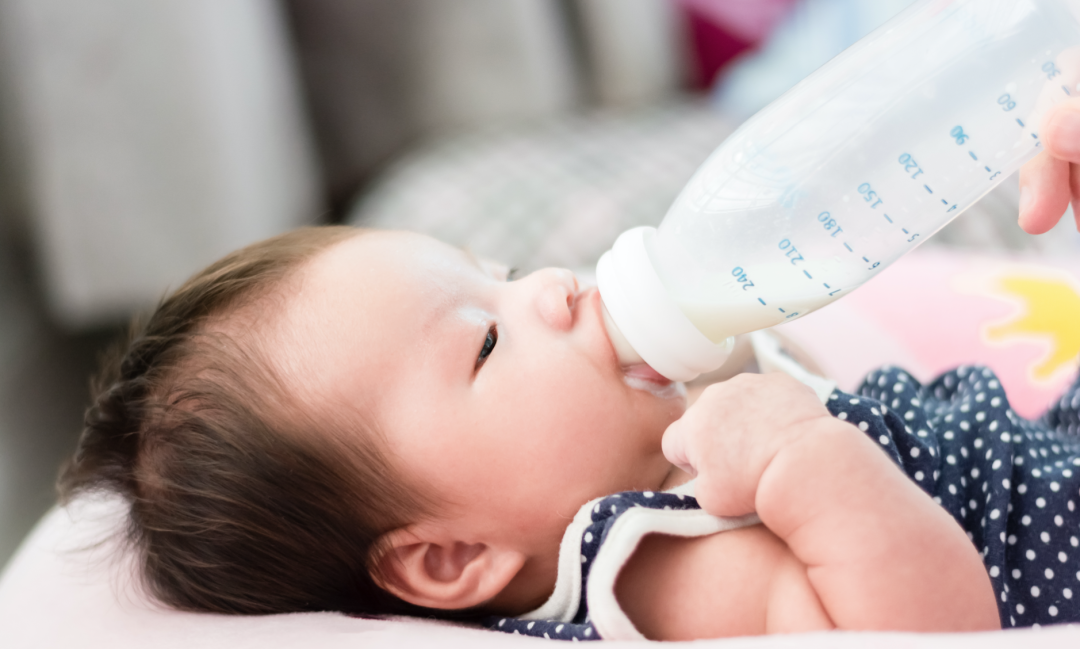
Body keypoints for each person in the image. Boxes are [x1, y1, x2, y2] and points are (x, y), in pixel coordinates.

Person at [55, 107, 1080, 641]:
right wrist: (802, 456)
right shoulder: (653, 566)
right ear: (452, 557)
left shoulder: (657, 462)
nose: (549, 286)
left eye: (497, 276)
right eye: (489, 340)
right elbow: (927, 635)